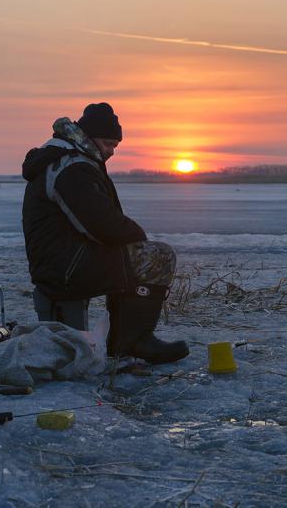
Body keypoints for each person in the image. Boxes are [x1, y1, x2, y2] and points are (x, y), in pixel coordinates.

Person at [21, 103, 189, 364]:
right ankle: (132, 341)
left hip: (62, 260)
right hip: (65, 266)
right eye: (108, 144)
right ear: (88, 137)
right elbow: (102, 225)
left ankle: (124, 339)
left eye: (115, 146)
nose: (111, 152)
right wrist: (138, 238)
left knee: (130, 255)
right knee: (157, 257)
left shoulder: (69, 158)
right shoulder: (73, 167)